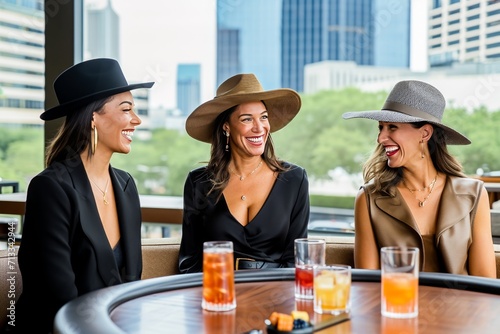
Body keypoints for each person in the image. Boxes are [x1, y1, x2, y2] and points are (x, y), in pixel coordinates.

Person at [11, 58, 154, 333]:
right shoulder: (51, 188)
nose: (136, 120)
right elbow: (57, 298)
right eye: (126, 110)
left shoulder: (126, 185)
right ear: (93, 118)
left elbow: (131, 284)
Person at [342, 80, 496, 278]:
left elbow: (485, 283)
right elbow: (367, 285)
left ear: (425, 133)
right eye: (381, 128)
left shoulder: (473, 195)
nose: (381, 138)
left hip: (461, 308)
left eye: (392, 127)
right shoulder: (369, 199)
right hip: (395, 307)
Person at [178, 73, 310, 273]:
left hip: (275, 293)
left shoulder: (295, 179)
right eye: (247, 119)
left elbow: (298, 260)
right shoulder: (199, 182)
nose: (259, 128)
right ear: (226, 127)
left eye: (264, 117)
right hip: (219, 293)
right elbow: (190, 261)